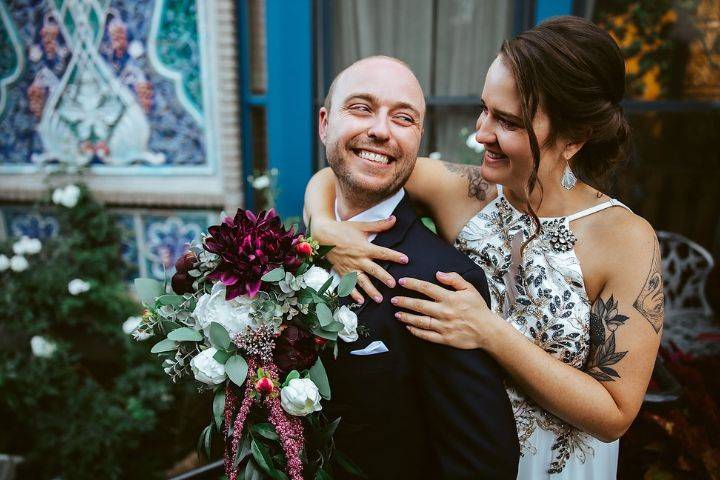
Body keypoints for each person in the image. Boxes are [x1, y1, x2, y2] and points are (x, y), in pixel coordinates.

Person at [304, 17, 664, 479]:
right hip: (453, 456)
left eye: (507, 122)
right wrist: (321, 228)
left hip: (552, 466)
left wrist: (489, 331)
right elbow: (348, 165)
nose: (481, 133)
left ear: (574, 138)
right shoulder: (460, 189)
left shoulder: (626, 239)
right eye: (485, 109)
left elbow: (615, 413)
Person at [312, 55, 519, 479]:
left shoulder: (439, 281)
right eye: (361, 108)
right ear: (324, 123)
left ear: (418, 139)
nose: (380, 130)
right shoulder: (291, 247)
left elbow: (481, 466)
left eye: (403, 118)